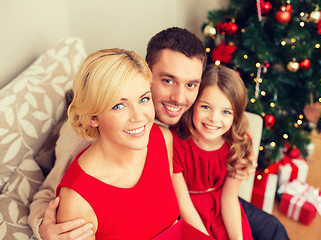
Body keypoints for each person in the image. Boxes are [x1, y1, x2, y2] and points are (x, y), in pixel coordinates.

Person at [29, 27, 289, 240]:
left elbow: (226, 115)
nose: (179, 97)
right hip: (171, 211)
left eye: (191, 85)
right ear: (145, 74)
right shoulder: (86, 138)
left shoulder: (193, 112)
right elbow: (51, 195)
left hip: (206, 198)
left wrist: (240, 154)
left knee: (274, 230)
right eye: (167, 80)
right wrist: (44, 228)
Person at [56, 48, 179, 239]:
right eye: (118, 105)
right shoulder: (77, 201)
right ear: (92, 117)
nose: (139, 117)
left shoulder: (162, 138)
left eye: (144, 99)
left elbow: (171, 223)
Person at [172, 64, 253, 240]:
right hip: (186, 214)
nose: (213, 118)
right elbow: (183, 203)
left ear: (235, 115)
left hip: (221, 210)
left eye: (226, 112)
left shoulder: (236, 144)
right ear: (193, 105)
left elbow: (229, 199)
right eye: (206, 107)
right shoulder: (174, 144)